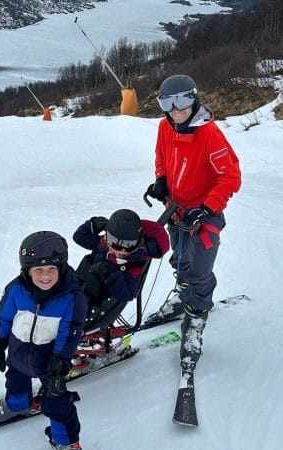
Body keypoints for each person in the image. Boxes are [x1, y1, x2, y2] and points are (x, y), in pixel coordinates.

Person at [143, 74, 242, 371]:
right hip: (177, 211)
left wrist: (207, 207)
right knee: (180, 259)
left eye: (183, 101)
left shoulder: (209, 134)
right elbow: (162, 156)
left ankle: (195, 324)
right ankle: (182, 295)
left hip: (204, 214)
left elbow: (231, 177)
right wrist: (161, 180)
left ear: (194, 99)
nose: (176, 110)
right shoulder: (165, 127)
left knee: (199, 269)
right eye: (168, 103)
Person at [0, 231, 88, 450]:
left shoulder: (71, 297)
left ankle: (67, 443)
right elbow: (4, 318)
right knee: (15, 381)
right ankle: (17, 404)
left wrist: (59, 363)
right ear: (27, 270)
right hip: (18, 351)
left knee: (57, 402)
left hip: (48, 359)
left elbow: (70, 332)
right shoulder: (16, 290)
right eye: (38, 270)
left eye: (51, 269)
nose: (45, 276)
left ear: (61, 267)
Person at [72, 208, 170, 313]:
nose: (119, 250)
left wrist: (111, 273)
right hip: (78, 286)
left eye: (128, 245)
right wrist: (94, 224)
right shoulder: (103, 244)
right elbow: (79, 237)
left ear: (138, 243)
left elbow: (127, 295)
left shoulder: (135, 263)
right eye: (113, 242)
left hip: (95, 304)